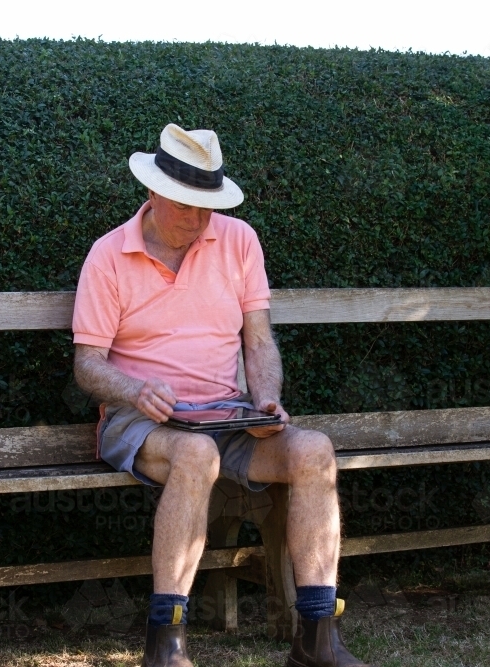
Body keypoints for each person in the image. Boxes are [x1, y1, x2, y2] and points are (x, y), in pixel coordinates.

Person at [72, 123, 369, 667]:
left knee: (314, 451)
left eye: (208, 205)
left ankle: (317, 639)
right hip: (140, 420)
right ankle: (167, 645)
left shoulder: (239, 240)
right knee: (195, 454)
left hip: (228, 416)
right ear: (155, 192)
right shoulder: (109, 255)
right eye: (187, 206)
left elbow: (258, 340)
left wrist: (267, 401)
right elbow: (88, 367)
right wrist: (136, 390)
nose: (200, 218)